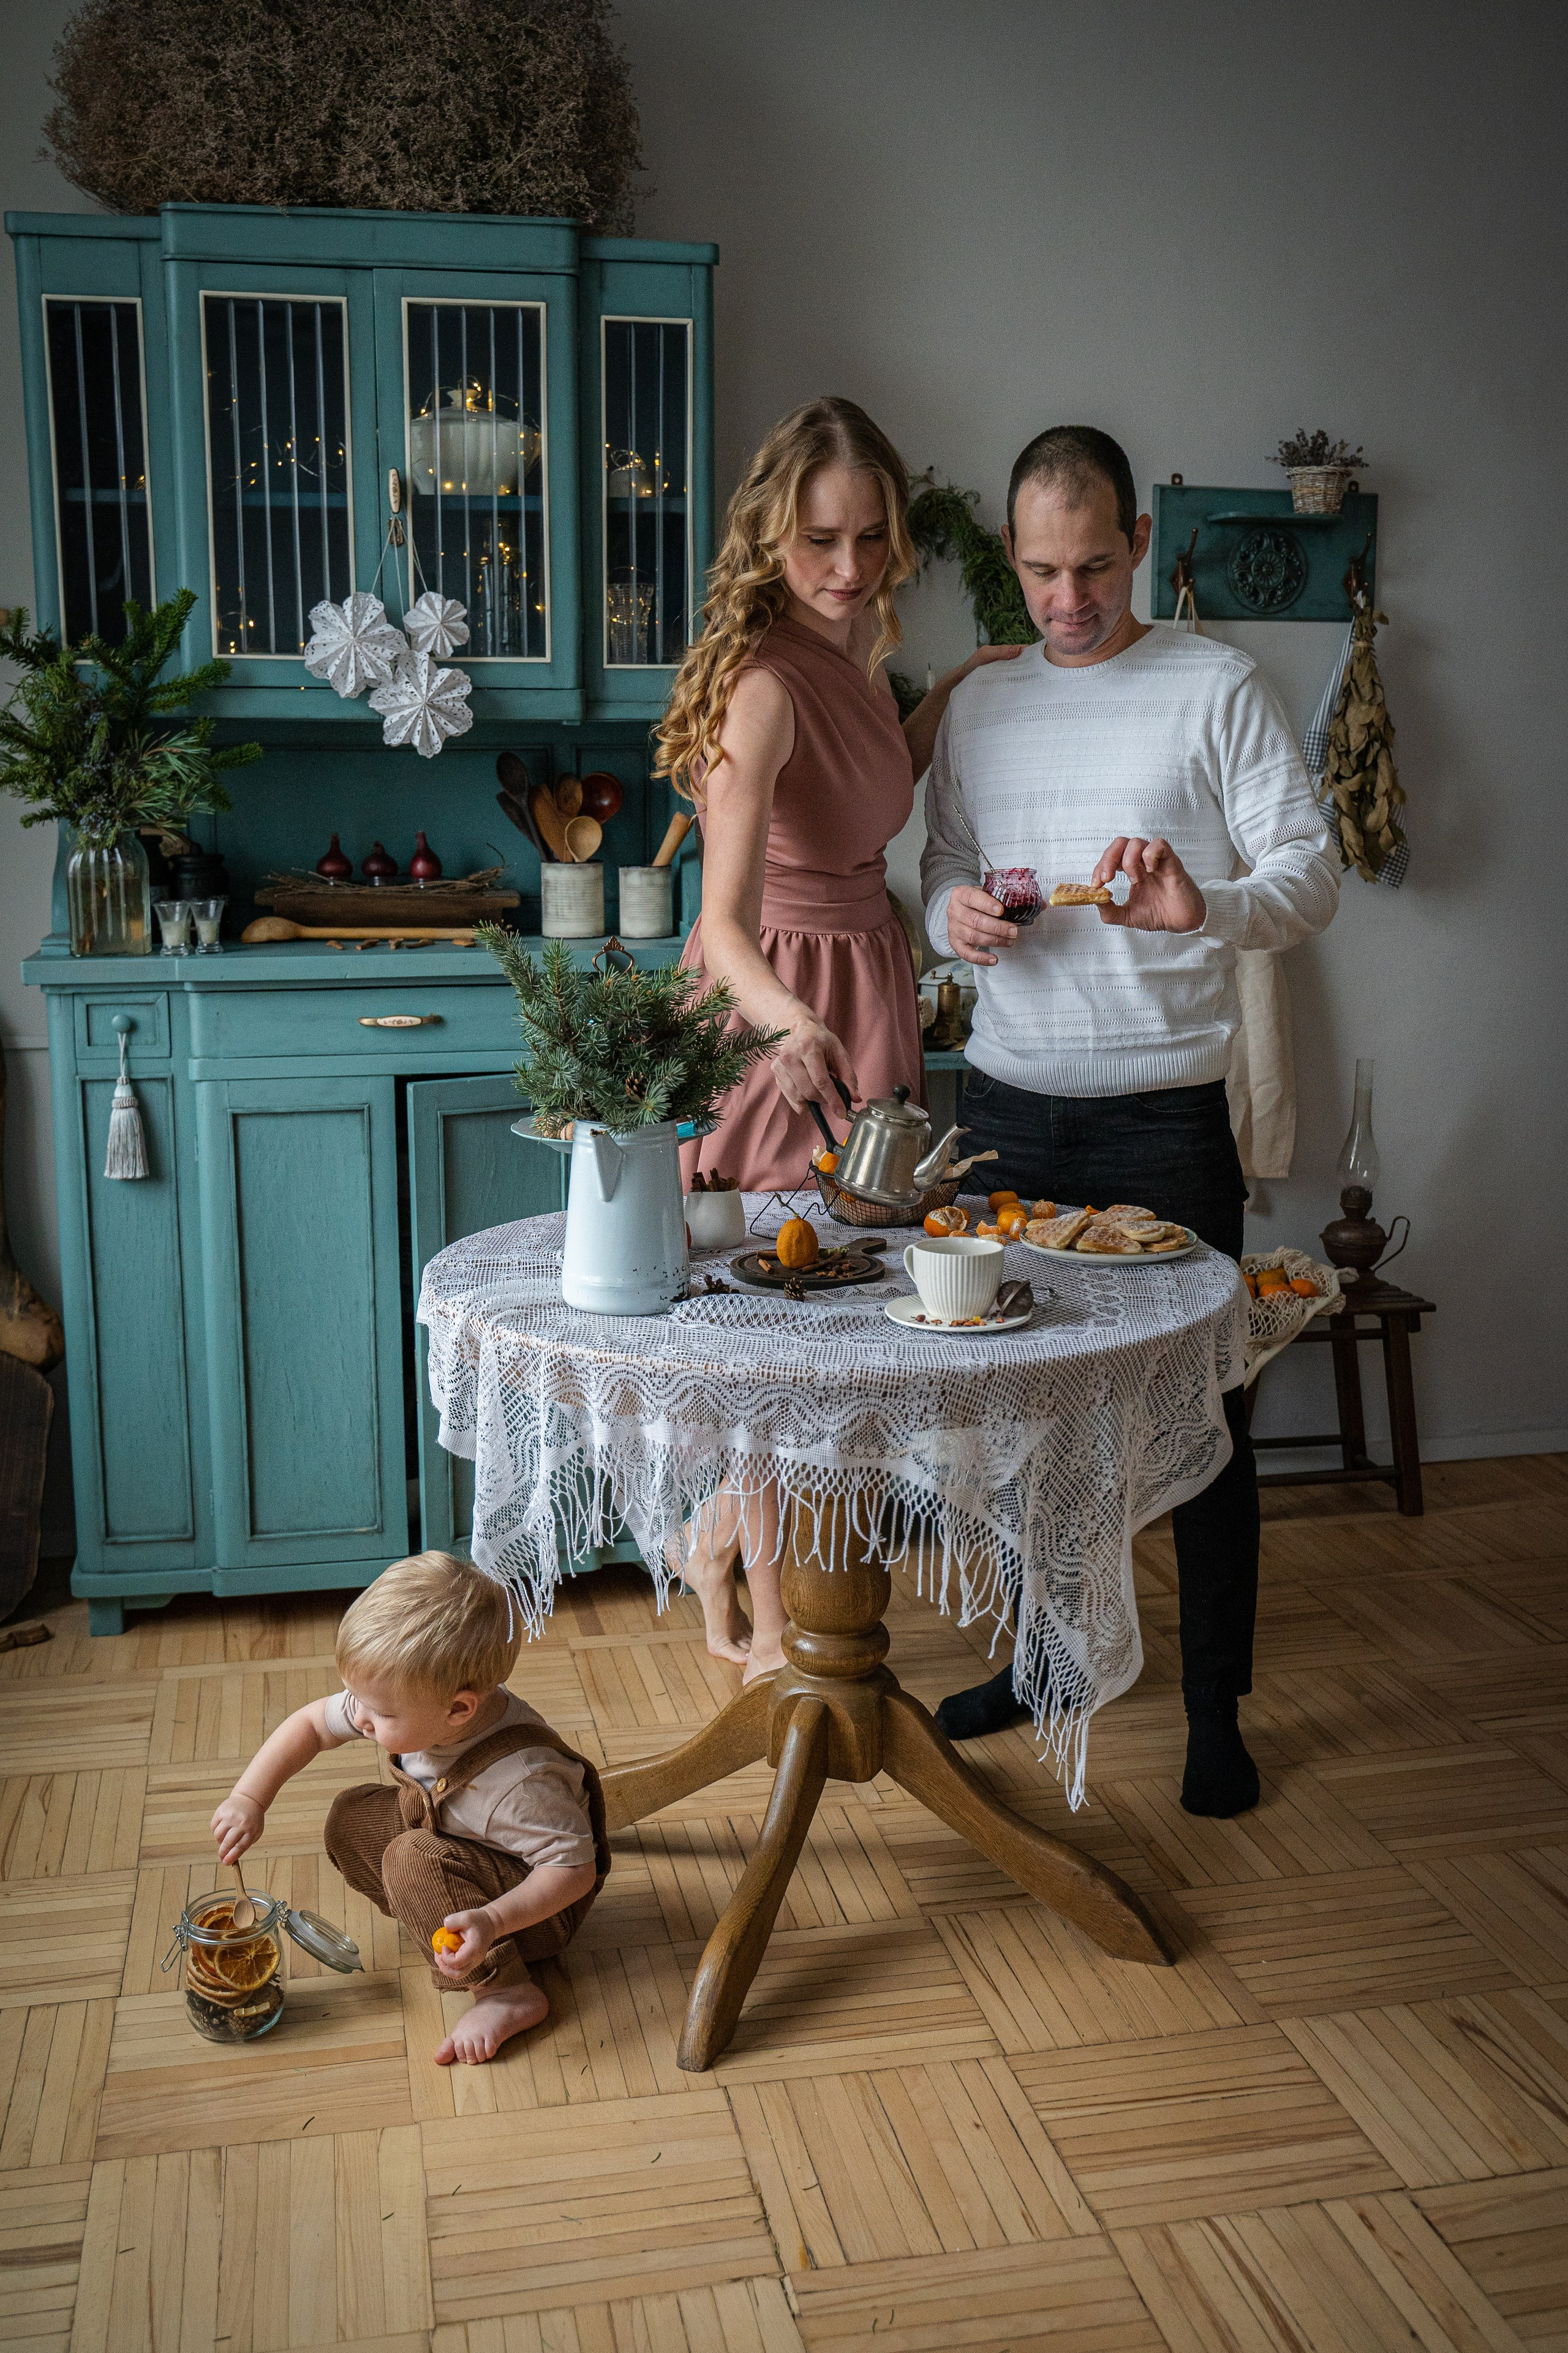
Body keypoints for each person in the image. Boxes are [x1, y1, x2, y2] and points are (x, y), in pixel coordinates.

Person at [921, 425, 1340, 1818]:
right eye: (1038, 569)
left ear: (1138, 546)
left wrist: (1197, 909)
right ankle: (1044, 1662)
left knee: (1203, 1417)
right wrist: (952, 914)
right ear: (1010, 556)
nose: (1063, 598)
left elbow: (1309, 874)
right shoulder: (981, 704)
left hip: (1164, 1123)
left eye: (1090, 565)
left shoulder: (1215, 685)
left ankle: (1214, 1708)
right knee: (1008, 1418)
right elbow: (940, 867)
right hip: (1002, 1117)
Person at [654, 395, 1018, 1675]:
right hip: (781, 997)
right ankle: (762, 1624)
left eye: (869, 539)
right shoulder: (758, 687)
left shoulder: (854, 649)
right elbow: (723, 922)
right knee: (773, 1332)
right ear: (770, 536)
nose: (848, 568)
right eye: (819, 541)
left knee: (838, 1309)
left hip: (862, 977)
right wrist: (784, 1021)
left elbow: (869, 787)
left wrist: (960, 687)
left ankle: (726, 1552)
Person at [210, 1550, 609, 2064]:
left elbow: (575, 1870)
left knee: (409, 1857)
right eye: (358, 1699)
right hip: (459, 1843)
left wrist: (492, 1919)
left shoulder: (520, 1784)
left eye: (379, 1712)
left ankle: (504, 1989)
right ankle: (436, 1914)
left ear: (459, 1709)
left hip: (535, 1908)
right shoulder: (420, 1701)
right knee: (349, 1818)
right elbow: (312, 1724)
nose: (361, 1718)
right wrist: (249, 1797)